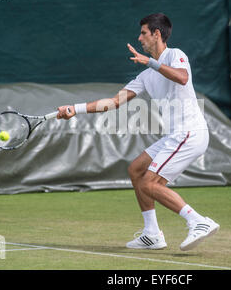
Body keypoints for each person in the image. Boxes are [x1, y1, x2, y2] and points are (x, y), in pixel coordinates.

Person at [57, 13, 219, 251]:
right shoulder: (145, 76)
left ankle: (198, 221)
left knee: (150, 183)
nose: (139, 37)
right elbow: (113, 102)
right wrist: (75, 109)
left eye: (144, 33)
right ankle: (152, 234)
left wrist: (150, 62)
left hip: (190, 132)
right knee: (136, 170)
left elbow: (182, 78)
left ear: (156, 34)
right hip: (174, 136)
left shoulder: (176, 55)